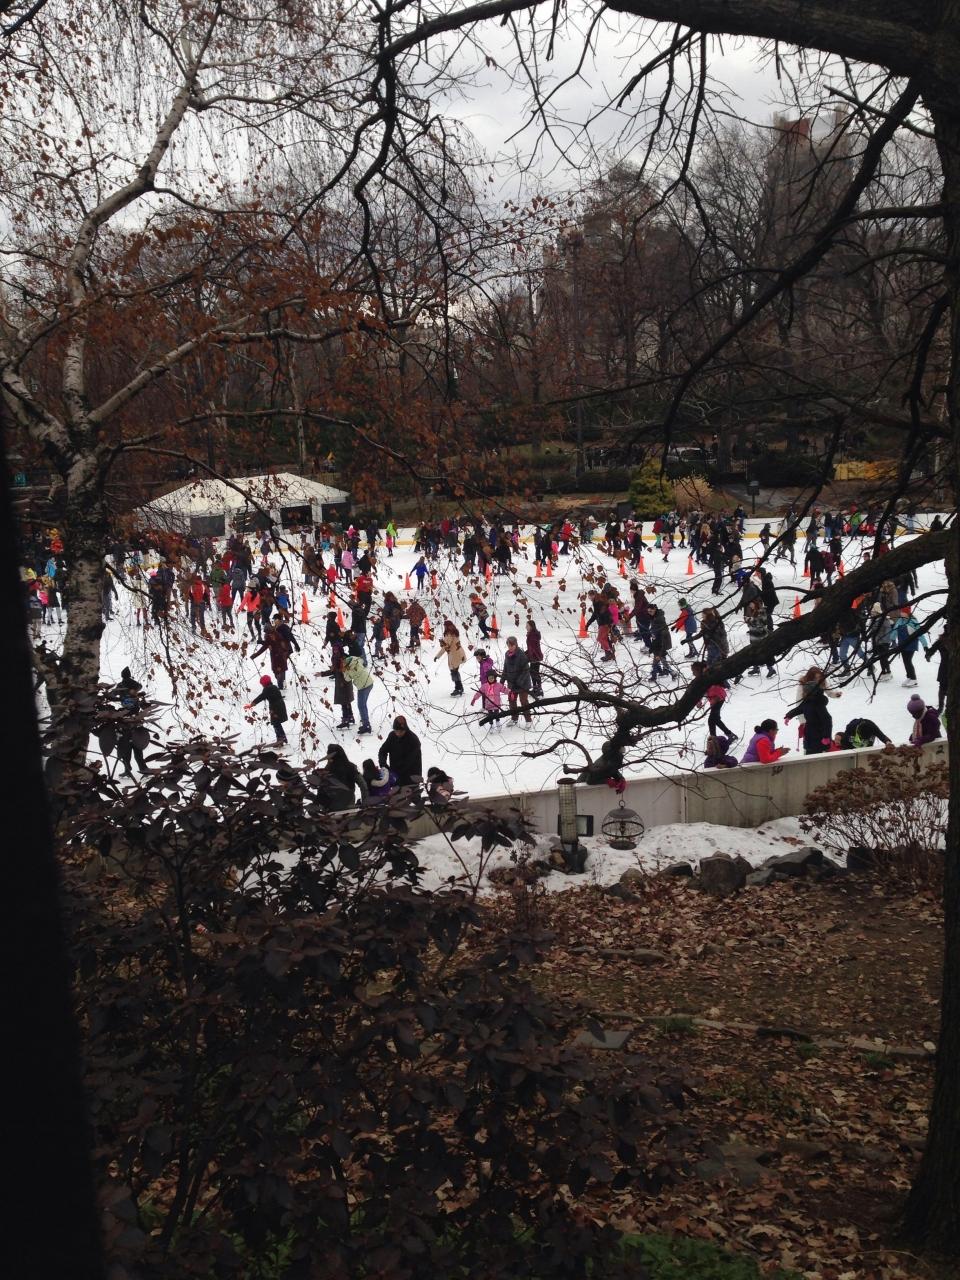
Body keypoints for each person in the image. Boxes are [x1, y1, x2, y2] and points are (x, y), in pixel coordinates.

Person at [785, 667, 840, 755]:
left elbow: (827, 720)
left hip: (819, 733)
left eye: (819, 677)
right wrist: (790, 716)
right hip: (809, 728)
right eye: (815, 677)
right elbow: (799, 707)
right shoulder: (806, 692)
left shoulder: (818, 705)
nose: (817, 679)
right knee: (809, 749)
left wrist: (826, 737)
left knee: (816, 751)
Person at [378, 716, 423, 786]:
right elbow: (383, 751)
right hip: (396, 777)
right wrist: (384, 765)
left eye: (401, 731)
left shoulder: (413, 740)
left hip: (411, 778)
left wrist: (393, 773)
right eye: (396, 731)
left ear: (405, 729)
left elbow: (408, 762)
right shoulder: (392, 736)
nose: (398, 733)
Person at [245, 675, 288, 745]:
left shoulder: (267, 689)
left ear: (264, 683)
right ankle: (281, 739)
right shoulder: (274, 687)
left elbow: (261, 697)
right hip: (281, 706)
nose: (262, 685)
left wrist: (252, 704)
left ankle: (281, 739)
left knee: (276, 723)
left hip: (275, 708)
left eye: (262, 684)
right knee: (276, 723)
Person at [502, 635, 533, 723]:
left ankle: (528, 720)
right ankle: (514, 718)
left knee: (523, 701)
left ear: (516, 644)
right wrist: (502, 679)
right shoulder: (507, 654)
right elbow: (505, 667)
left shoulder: (521, 655)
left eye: (512, 645)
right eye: (508, 645)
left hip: (523, 684)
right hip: (512, 683)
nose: (510, 647)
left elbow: (526, 670)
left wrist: (519, 681)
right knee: (511, 700)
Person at [341, 653, 374, 733]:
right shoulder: (355, 659)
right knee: (363, 705)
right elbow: (362, 660)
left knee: (361, 706)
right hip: (369, 683)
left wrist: (345, 671)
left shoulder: (349, 667)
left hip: (363, 686)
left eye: (342, 661)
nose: (342, 663)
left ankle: (366, 725)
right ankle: (365, 722)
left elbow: (347, 679)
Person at [437, 620, 466, 694]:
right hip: (458, 653)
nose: (444, 627)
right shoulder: (454, 632)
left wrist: (438, 655)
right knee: (455, 671)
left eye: (445, 626)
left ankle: (458, 688)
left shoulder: (449, 634)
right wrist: (443, 643)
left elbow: (446, 646)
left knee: (454, 672)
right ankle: (459, 688)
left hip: (455, 655)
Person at [526, 619, 544, 697]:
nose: (526, 627)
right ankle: (535, 688)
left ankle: (539, 689)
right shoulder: (531, 634)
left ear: (531, 626)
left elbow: (533, 648)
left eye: (527, 626)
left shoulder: (532, 635)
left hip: (535, 657)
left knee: (535, 673)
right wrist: (525, 653)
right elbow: (530, 648)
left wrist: (528, 657)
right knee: (533, 673)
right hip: (534, 656)